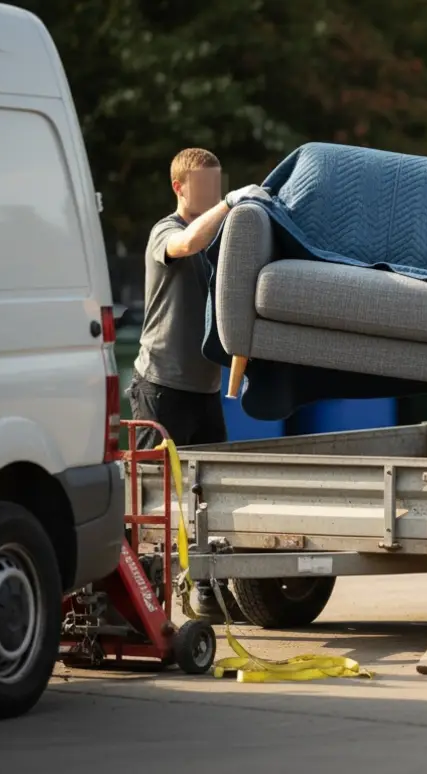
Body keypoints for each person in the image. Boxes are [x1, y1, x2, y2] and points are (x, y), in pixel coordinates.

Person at [130, 147, 262, 619]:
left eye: (218, 185)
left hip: (205, 391)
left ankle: (205, 589)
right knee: (152, 499)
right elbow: (185, 244)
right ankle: (141, 602)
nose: (211, 196)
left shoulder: (220, 237)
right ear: (179, 187)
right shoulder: (164, 232)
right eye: (204, 188)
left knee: (210, 498)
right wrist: (227, 205)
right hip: (161, 387)